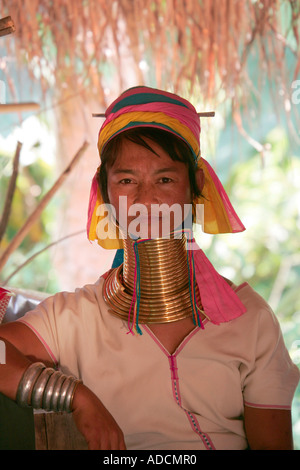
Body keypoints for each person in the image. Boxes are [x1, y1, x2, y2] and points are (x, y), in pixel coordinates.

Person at [0, 86, 299, 450]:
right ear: (105, 192)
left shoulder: (250, 321)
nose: (146, 200)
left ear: (196, 186)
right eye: (127, 181)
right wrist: (75, 396)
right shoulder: (76, 317)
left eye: (165, 179)